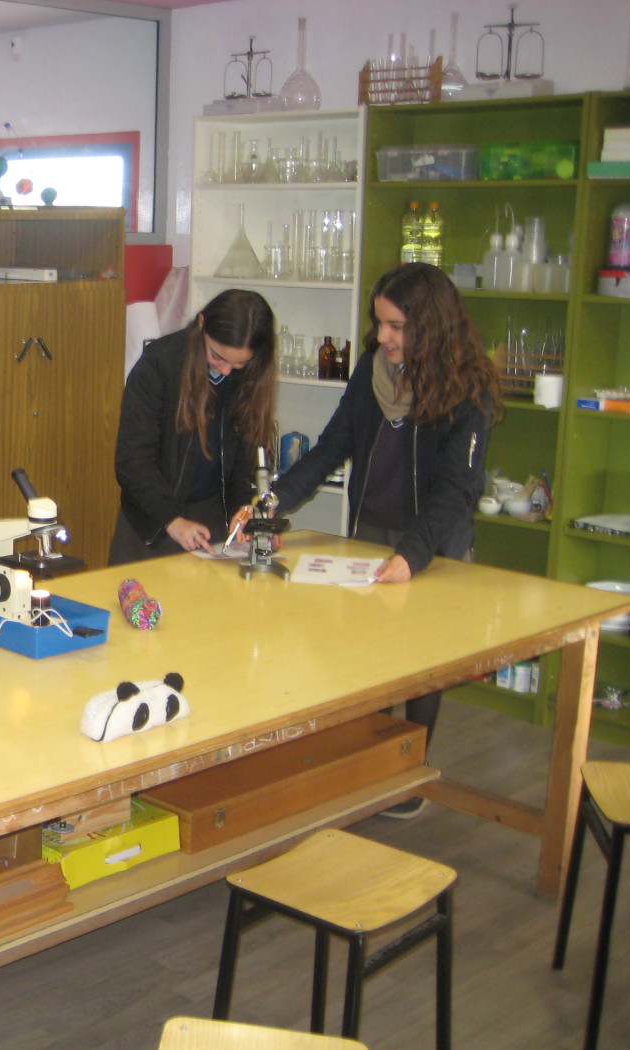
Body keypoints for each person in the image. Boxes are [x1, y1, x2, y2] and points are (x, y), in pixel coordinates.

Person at [250, 262, 501, 814]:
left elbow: (457, 489)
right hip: (370, 530)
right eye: (379, 323)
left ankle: (410, 778)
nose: (382, 336)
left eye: (395, 327)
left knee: (421, 664)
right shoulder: (371, 370)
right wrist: (272, 503)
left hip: (432, 542)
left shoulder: (470, 389)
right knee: (370, 657)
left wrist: (412, 556)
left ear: (429, 328)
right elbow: (329, 447)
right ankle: (372, 767)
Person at [109, 288, 277, 563]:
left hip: (212, 520)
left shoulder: (250, 375)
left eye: (240, 363)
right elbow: (132, 459)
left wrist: (245, 507)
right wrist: (171, 519)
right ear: (201, 324)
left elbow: (245, 458)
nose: (226, 371)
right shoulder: (160, 363)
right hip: (153, 521)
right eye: (217, 357)